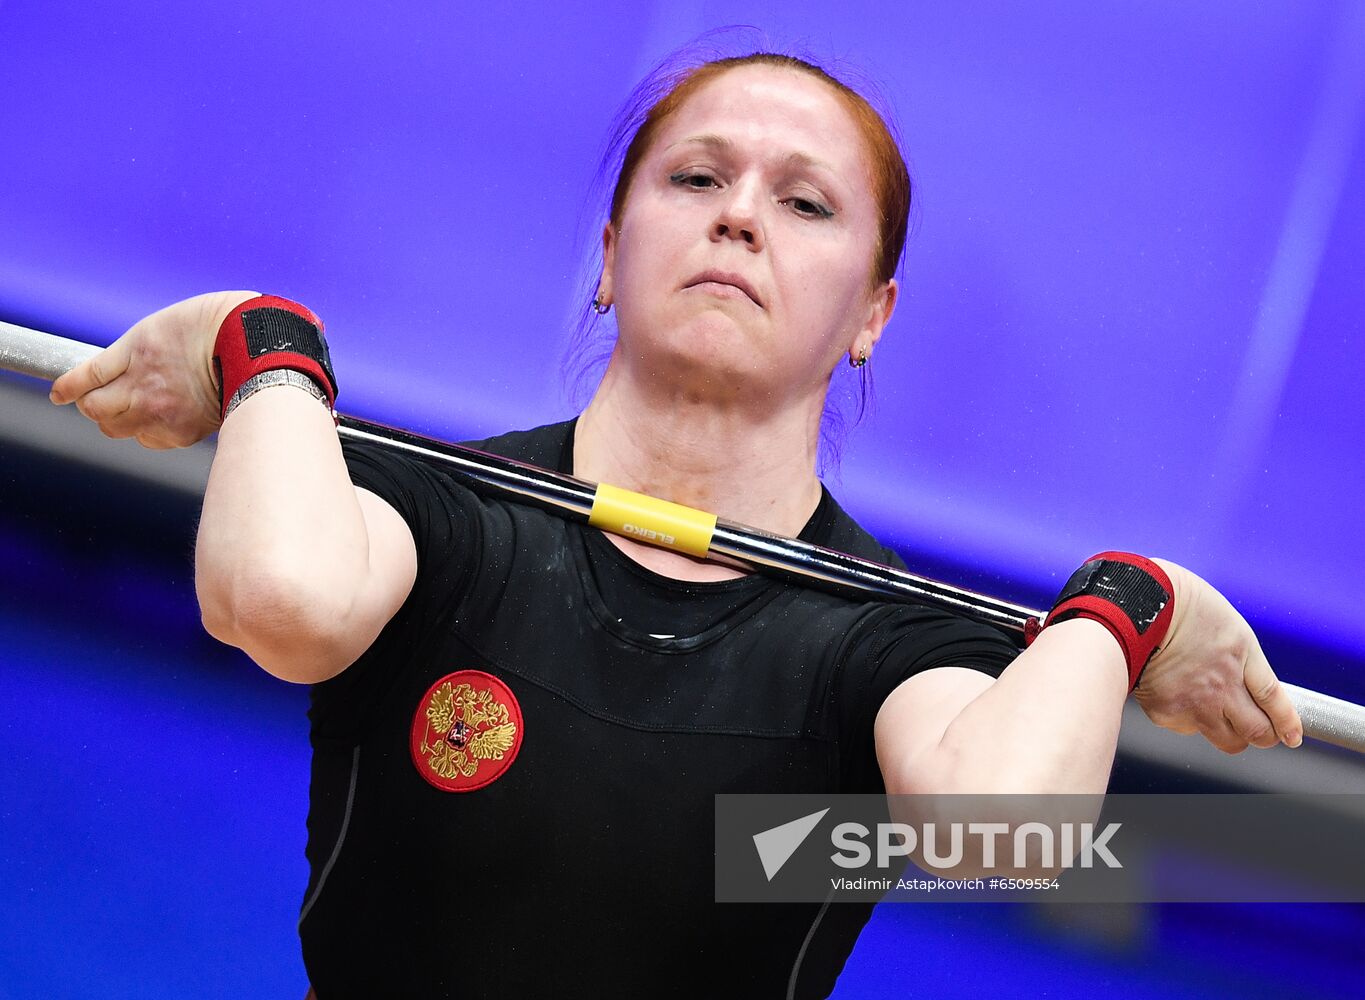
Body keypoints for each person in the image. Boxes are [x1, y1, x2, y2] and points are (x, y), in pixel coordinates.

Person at [47, 50, 1302, 999]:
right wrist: (267, 346)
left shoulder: (883, 642)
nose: (739, 213)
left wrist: (1131, 603)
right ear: (608, 254)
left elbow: (1006, 834)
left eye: (806, 205)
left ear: (872, 313)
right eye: (696, 177)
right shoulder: (451, 516)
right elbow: (274, 599)